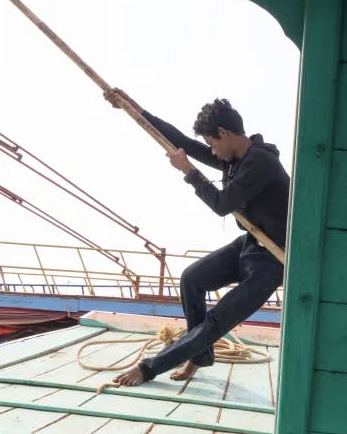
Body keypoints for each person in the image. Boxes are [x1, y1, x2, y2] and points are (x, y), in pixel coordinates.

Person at [104, 89, 289, 386]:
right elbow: (185, 144)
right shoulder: (235, 158)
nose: (211, 151)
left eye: (212, 143)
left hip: (272, 259)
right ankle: (200, 356)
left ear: (224, 132)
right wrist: (138, 113)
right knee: (192, 278)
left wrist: (188, 171)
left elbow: (221, 204)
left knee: (217, 320)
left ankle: (148, 368)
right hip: (252, 243)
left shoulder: (260, 163)